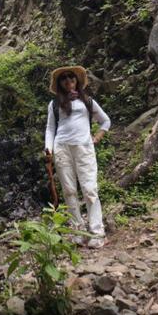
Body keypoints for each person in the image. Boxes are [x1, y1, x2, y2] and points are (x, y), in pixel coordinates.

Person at [44, 66, 111, 249]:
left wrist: (96, 137)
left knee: (89, 189)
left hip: (83, 147)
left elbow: (105, 121)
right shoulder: (55, 104)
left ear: (77, 81)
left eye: (71, 77)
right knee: (69, 191)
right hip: (61, 148)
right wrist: (48, 149)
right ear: (59, 83)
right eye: (64, 78)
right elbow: (50, 128)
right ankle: (77, 231)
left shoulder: (87, 101)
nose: (68, 80)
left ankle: (97, 232)